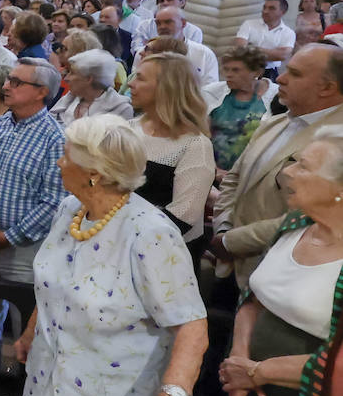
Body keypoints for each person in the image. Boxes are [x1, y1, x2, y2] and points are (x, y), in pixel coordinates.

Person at [5, 115, 208, 396]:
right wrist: (29, 332)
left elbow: (191, 326)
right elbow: (54, 281)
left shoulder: (149, 233)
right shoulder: (71, 209)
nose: (58, 163)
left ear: (94, 175)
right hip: (49, 378)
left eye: (66, 157)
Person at [219, 127, 343, 396]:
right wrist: (240, 358)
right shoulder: (294, 225)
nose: (287, 172)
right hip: (249, 395)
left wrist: (258, 373)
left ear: (338, 189)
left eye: (303, 166)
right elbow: (254, 296)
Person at [210, 45, 343, 289]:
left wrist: (233, 241)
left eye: (295, 73)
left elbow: (311, 215)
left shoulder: (338, 140)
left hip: (283, 274)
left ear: (327, 88)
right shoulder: (275, 123)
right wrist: (224, 226)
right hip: (230, 262)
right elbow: (234, 179)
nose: (280, 78)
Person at [0, 58, 65, 284]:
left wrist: (10, 236)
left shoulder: (56, 139)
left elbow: (55, 201)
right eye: (7, 80)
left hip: (25, 250)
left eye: (15, 82)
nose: (5, 86)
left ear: (41, 92)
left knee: (20, 316)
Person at [128, 52, 216, 253]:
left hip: (162, 252)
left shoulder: (194, 145)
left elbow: (183, 217)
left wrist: (125, 237)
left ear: (166, 88)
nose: (130, 84)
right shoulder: (128, 129)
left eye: (140, 78)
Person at [205, 45, 276, 175]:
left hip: (255, 175)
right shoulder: (211, 92)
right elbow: (199, 136)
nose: (229, 75)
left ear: (257, 72)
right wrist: (215, 170)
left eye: (236, 70)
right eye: (226, 69)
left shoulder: (276, 97)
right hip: (211, 172)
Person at [50, 49, 134, 126]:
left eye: (72, 73)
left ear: (88, 79)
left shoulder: (120, 109)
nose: (66, 78)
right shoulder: (71, 96)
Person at [233, 0, 296, 75]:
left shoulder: (288, 33)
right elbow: (240, 48)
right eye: (264, 7)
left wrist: (251, 48)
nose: (265, 11)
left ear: (282, 12)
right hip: (245, 68)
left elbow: (282, 55)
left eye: (271, 8)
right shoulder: (249, 24)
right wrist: (272, 52)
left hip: (269, 72)